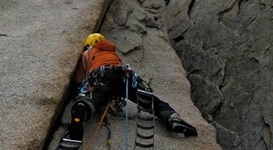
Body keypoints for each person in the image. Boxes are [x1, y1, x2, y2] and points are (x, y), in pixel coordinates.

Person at [67, 33, 198, 141]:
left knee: (90, 99)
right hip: (123, 75)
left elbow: (79, 79)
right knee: (152, 101)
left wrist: (79, 91)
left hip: (101, 76)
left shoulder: (87, 53)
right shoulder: (111, 53)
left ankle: (81, 111)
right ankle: (173, 117)